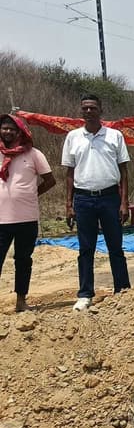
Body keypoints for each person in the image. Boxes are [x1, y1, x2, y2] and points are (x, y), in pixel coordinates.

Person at [62, 94, 131, 311]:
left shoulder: (115, 135)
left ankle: (122, 290)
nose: (89, 111)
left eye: (93, 107)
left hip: (110, 197)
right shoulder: (73, 137)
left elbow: (124, 170)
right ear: (81, 111)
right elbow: (69, 173)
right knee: (86, 249)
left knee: (115, 247)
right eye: (85, 108)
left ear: (101, 110)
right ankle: (85, 294)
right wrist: (69, 204)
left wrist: (124, 202)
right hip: (83, 199)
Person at [0, 114, 55, 312]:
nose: (7, 131)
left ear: (20, 132)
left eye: (12, 129)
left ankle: (21, 301)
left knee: (23, 261)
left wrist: (32, 194)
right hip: (1, 220)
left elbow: (50, 180)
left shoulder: (33, 154)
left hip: (26, 218)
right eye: (4, 128)